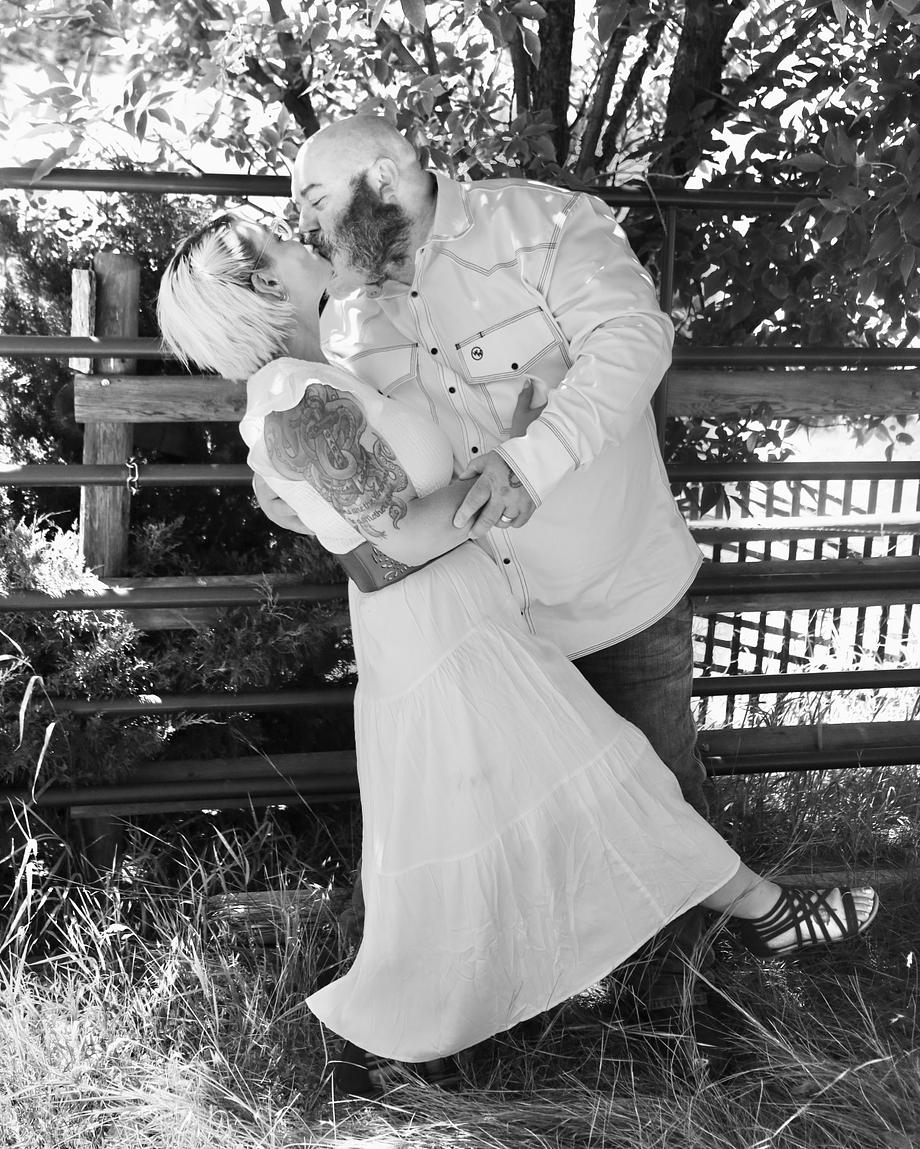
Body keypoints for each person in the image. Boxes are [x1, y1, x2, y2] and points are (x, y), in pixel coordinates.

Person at [157, 214, 880, 1089]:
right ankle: (764, 915)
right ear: (268, 284)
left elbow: (374, 514)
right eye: (280, 237)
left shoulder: (320, 373)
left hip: (459, 617)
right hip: (437, 635)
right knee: (601, 779)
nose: (304, 234)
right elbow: (401, 539)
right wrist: (512, 472)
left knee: (543, 805)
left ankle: (420, 1053)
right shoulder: (290, 397)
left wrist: (511, 448)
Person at [258, 114, 720, 1053]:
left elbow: (634, 339)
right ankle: (552, 1031)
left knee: (661, 792)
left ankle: (688, 1029)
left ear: (380, 175)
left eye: (314, 198)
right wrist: (290, 489)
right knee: (534, 823)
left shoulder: (542, 223)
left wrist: (530, 461)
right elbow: (353, 472)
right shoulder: (342, 321)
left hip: (612, 584)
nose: (305, 224)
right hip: (491, 626)